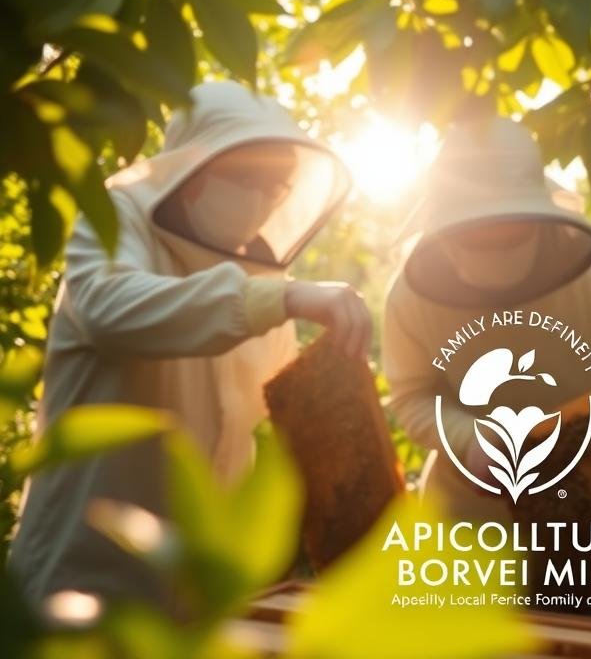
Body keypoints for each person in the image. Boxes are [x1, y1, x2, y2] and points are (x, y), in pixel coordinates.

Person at [7, 80, 373, 614]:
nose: (261, 198)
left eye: (276, 184)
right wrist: (284, 299)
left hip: (194, 604)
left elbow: (276, 425)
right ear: (190, 168)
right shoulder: (116, 219)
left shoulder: (266, 279)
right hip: (80, 582)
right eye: (246, 176)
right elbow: (111, 308)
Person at [382, 116, 591, 521]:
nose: (494, 247)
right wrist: (469, 440)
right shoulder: (410, 297)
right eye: (474, 236)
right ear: (443, 232)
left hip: (584, 501)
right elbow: (411, 397)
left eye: (511, 233)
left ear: (538, 216)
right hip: (466, 520)